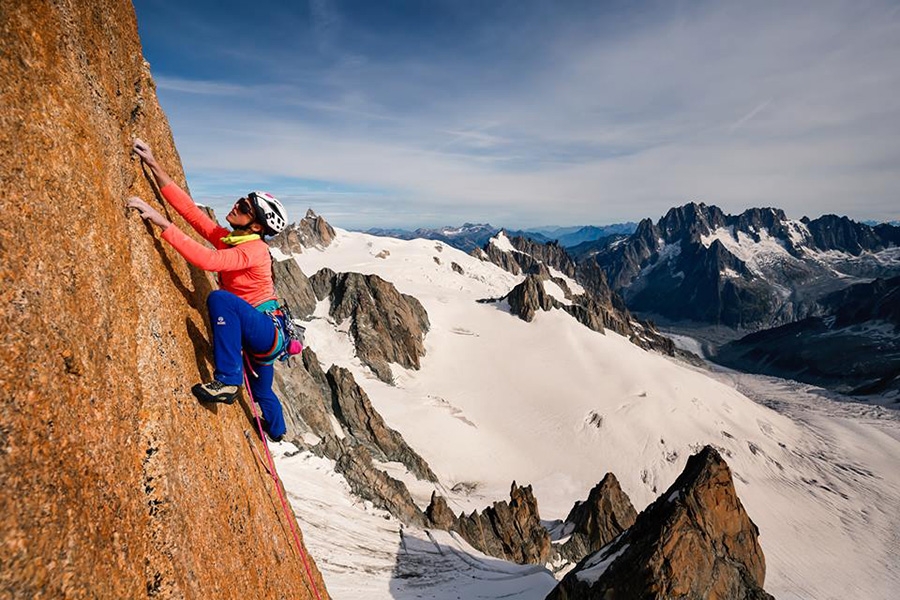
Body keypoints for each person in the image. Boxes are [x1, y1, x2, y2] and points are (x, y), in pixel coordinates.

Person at [127, 138, 289, 442]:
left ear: (255, 226)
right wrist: (153, 165)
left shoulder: (253, 251)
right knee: (262, 390)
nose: (235, 206)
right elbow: (192, 213)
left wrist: (160, 222)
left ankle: (227, 381)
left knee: (220, 299)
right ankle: (277, 431)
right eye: (240, 201)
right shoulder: (235, 240)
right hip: (265, 335)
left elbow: (207, 259)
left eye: (243, 208)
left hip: (263, 329)